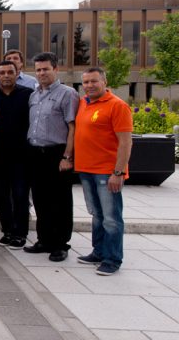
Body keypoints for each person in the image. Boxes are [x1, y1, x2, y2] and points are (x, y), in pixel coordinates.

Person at [74, 67, 132, 276]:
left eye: (94, 81)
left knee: (111, 217)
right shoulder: (83, 103)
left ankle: (112, 259)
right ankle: (98, 251)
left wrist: (118, 172)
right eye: (86, 82)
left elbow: (125, 142)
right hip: (86, 169)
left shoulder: (118, 106)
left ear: (104, 82)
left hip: (107, 172)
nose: (89, 85)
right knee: (97, 215)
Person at [24, 52, 78, 262]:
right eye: (38, 70)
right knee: (40, 199)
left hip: (57, 153)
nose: (41, 73)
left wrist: (67, 157)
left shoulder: (67, 94)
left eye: (45, 69)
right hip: (36, 153)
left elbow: (72, 128)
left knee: (60, 200)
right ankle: (44, 240)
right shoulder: (34, 95)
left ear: (56, 69)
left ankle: (60, 244)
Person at [0, 60, 33, 250]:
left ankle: (20, 233)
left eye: (10, 72)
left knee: (20, 195)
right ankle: (7, 230)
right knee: (1, 195)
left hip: (21, 155)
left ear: (17, 73)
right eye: (2, 72)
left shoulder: (28, 95)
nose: (6, 75)